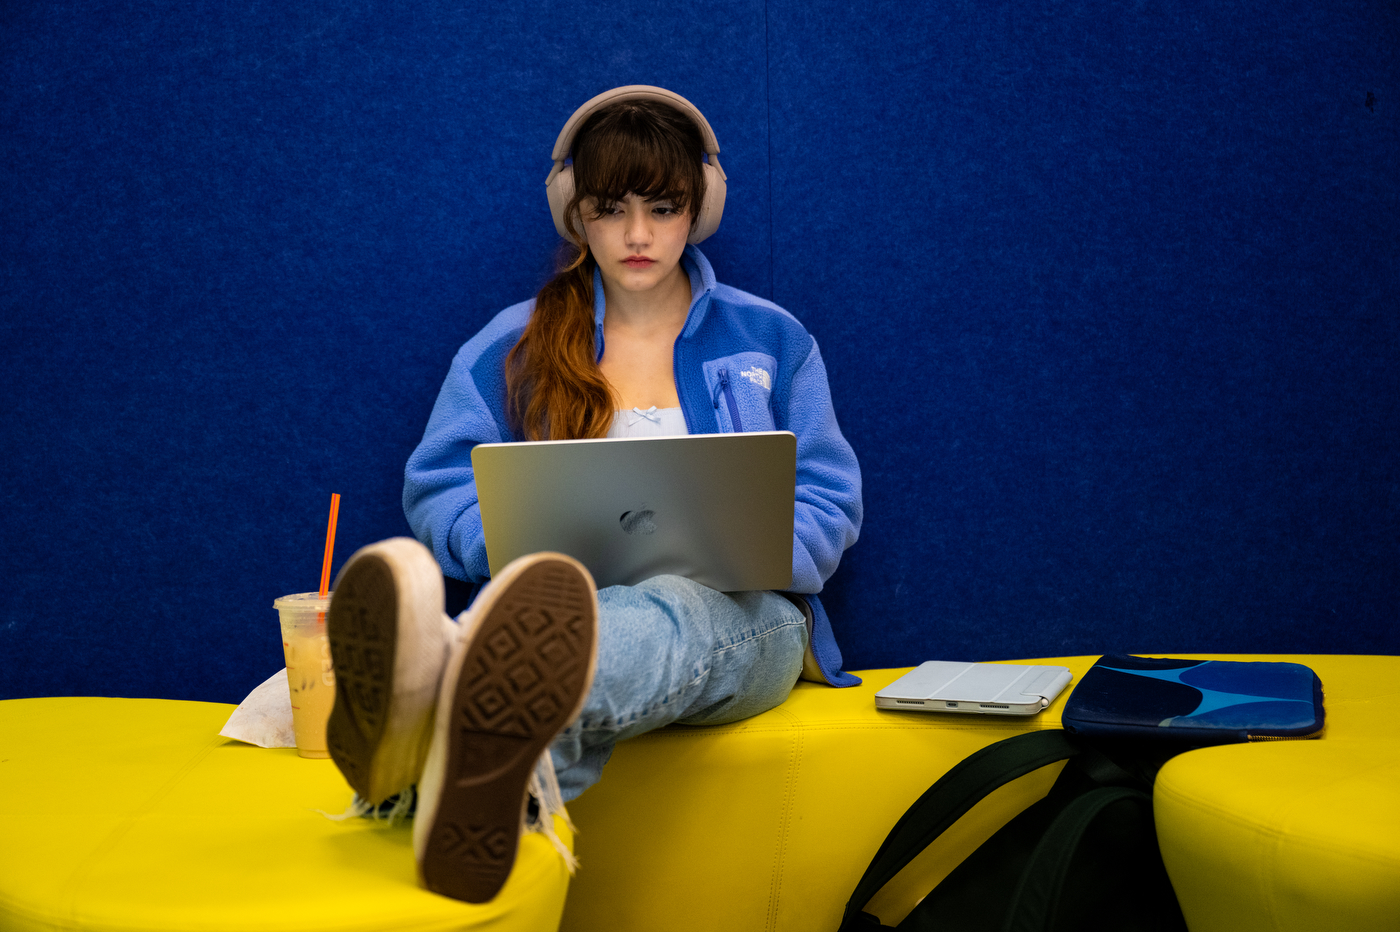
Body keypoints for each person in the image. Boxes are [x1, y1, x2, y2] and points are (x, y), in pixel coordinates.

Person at [324, 85, 863, 905]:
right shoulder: (511, 344)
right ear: (576, 215)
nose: (639, 234)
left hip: (748, 621)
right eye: (610, 208)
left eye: (663, 206)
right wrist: (501, 543)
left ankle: (432, 699)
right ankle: (466, 788)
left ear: (701, 208)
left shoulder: (773, 341)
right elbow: (439, 485)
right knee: (559, 633)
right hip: (565, 606)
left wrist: (761, 548)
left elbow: (831, 501)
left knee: (672, 604)